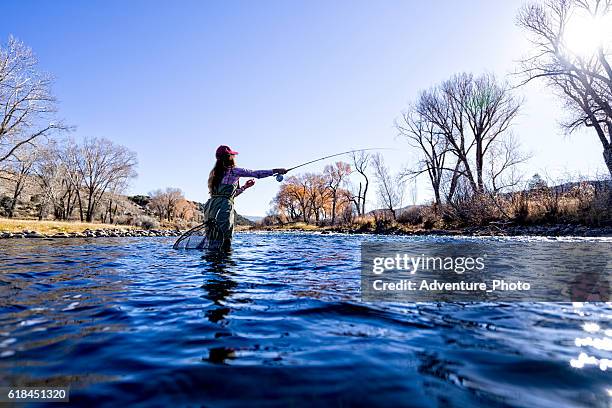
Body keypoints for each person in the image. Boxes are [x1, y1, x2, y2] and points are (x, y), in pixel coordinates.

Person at [202, 145, 286, 251]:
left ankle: (212, 264)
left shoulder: (213, 173)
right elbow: (256, 174)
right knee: (224, 239)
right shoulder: (234, 171)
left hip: (210, 208)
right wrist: (275, 170)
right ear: (229, 157)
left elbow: (226, 195)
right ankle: (223, 264)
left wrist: (244, 187)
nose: (234, 157)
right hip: (224, 208)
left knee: (212, 239)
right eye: (233, 155)